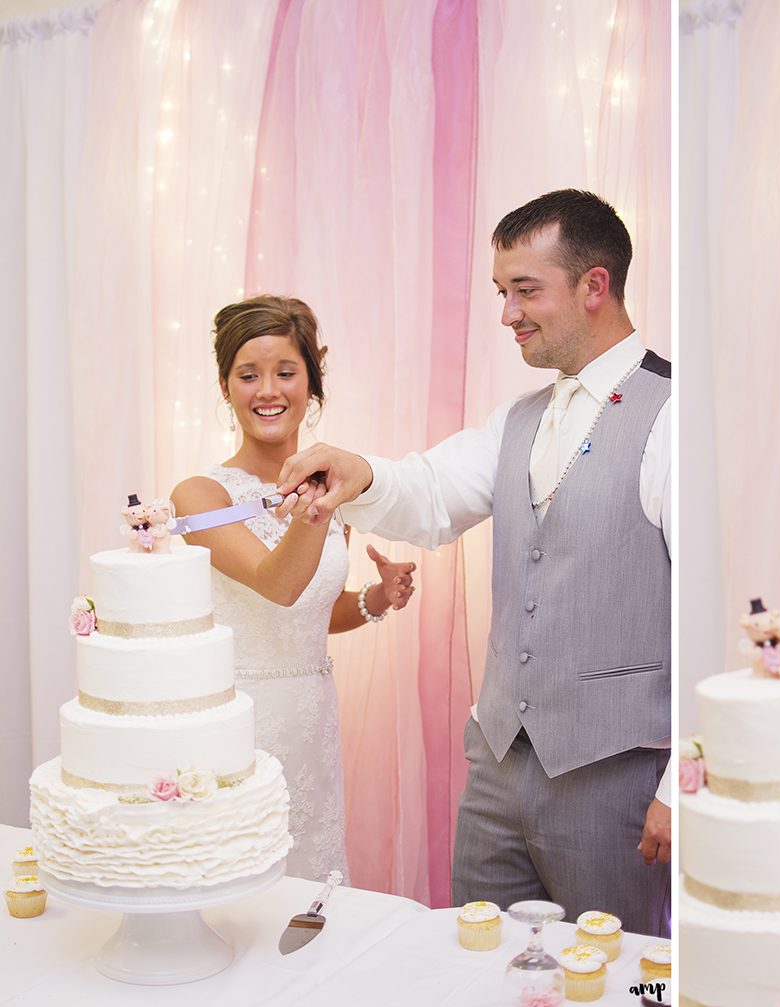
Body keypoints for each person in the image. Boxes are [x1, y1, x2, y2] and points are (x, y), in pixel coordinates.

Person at [273, 190, 672, 936]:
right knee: (476, 958)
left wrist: (685, 786)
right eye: (501, 292)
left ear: (594, 285)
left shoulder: (674, 414)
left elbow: (708, 612)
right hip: (497, 765)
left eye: (526, 290)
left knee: (621, 978)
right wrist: (355, 472)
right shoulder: (519, 417)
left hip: (615, 778)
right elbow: (429, 492)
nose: (507, 314)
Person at [171, 295, 416, 881]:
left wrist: (377, 597)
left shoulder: (337, 494)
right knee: (238, 879)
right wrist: (319, 505)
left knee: (308, 879)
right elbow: (273, 586)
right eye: (248, 375)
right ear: (226, 386)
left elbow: (312, 610)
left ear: (312, 381)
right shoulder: (200, 495)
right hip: (236, 720)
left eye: (286, 371)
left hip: (311, 719)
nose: (268, 390)